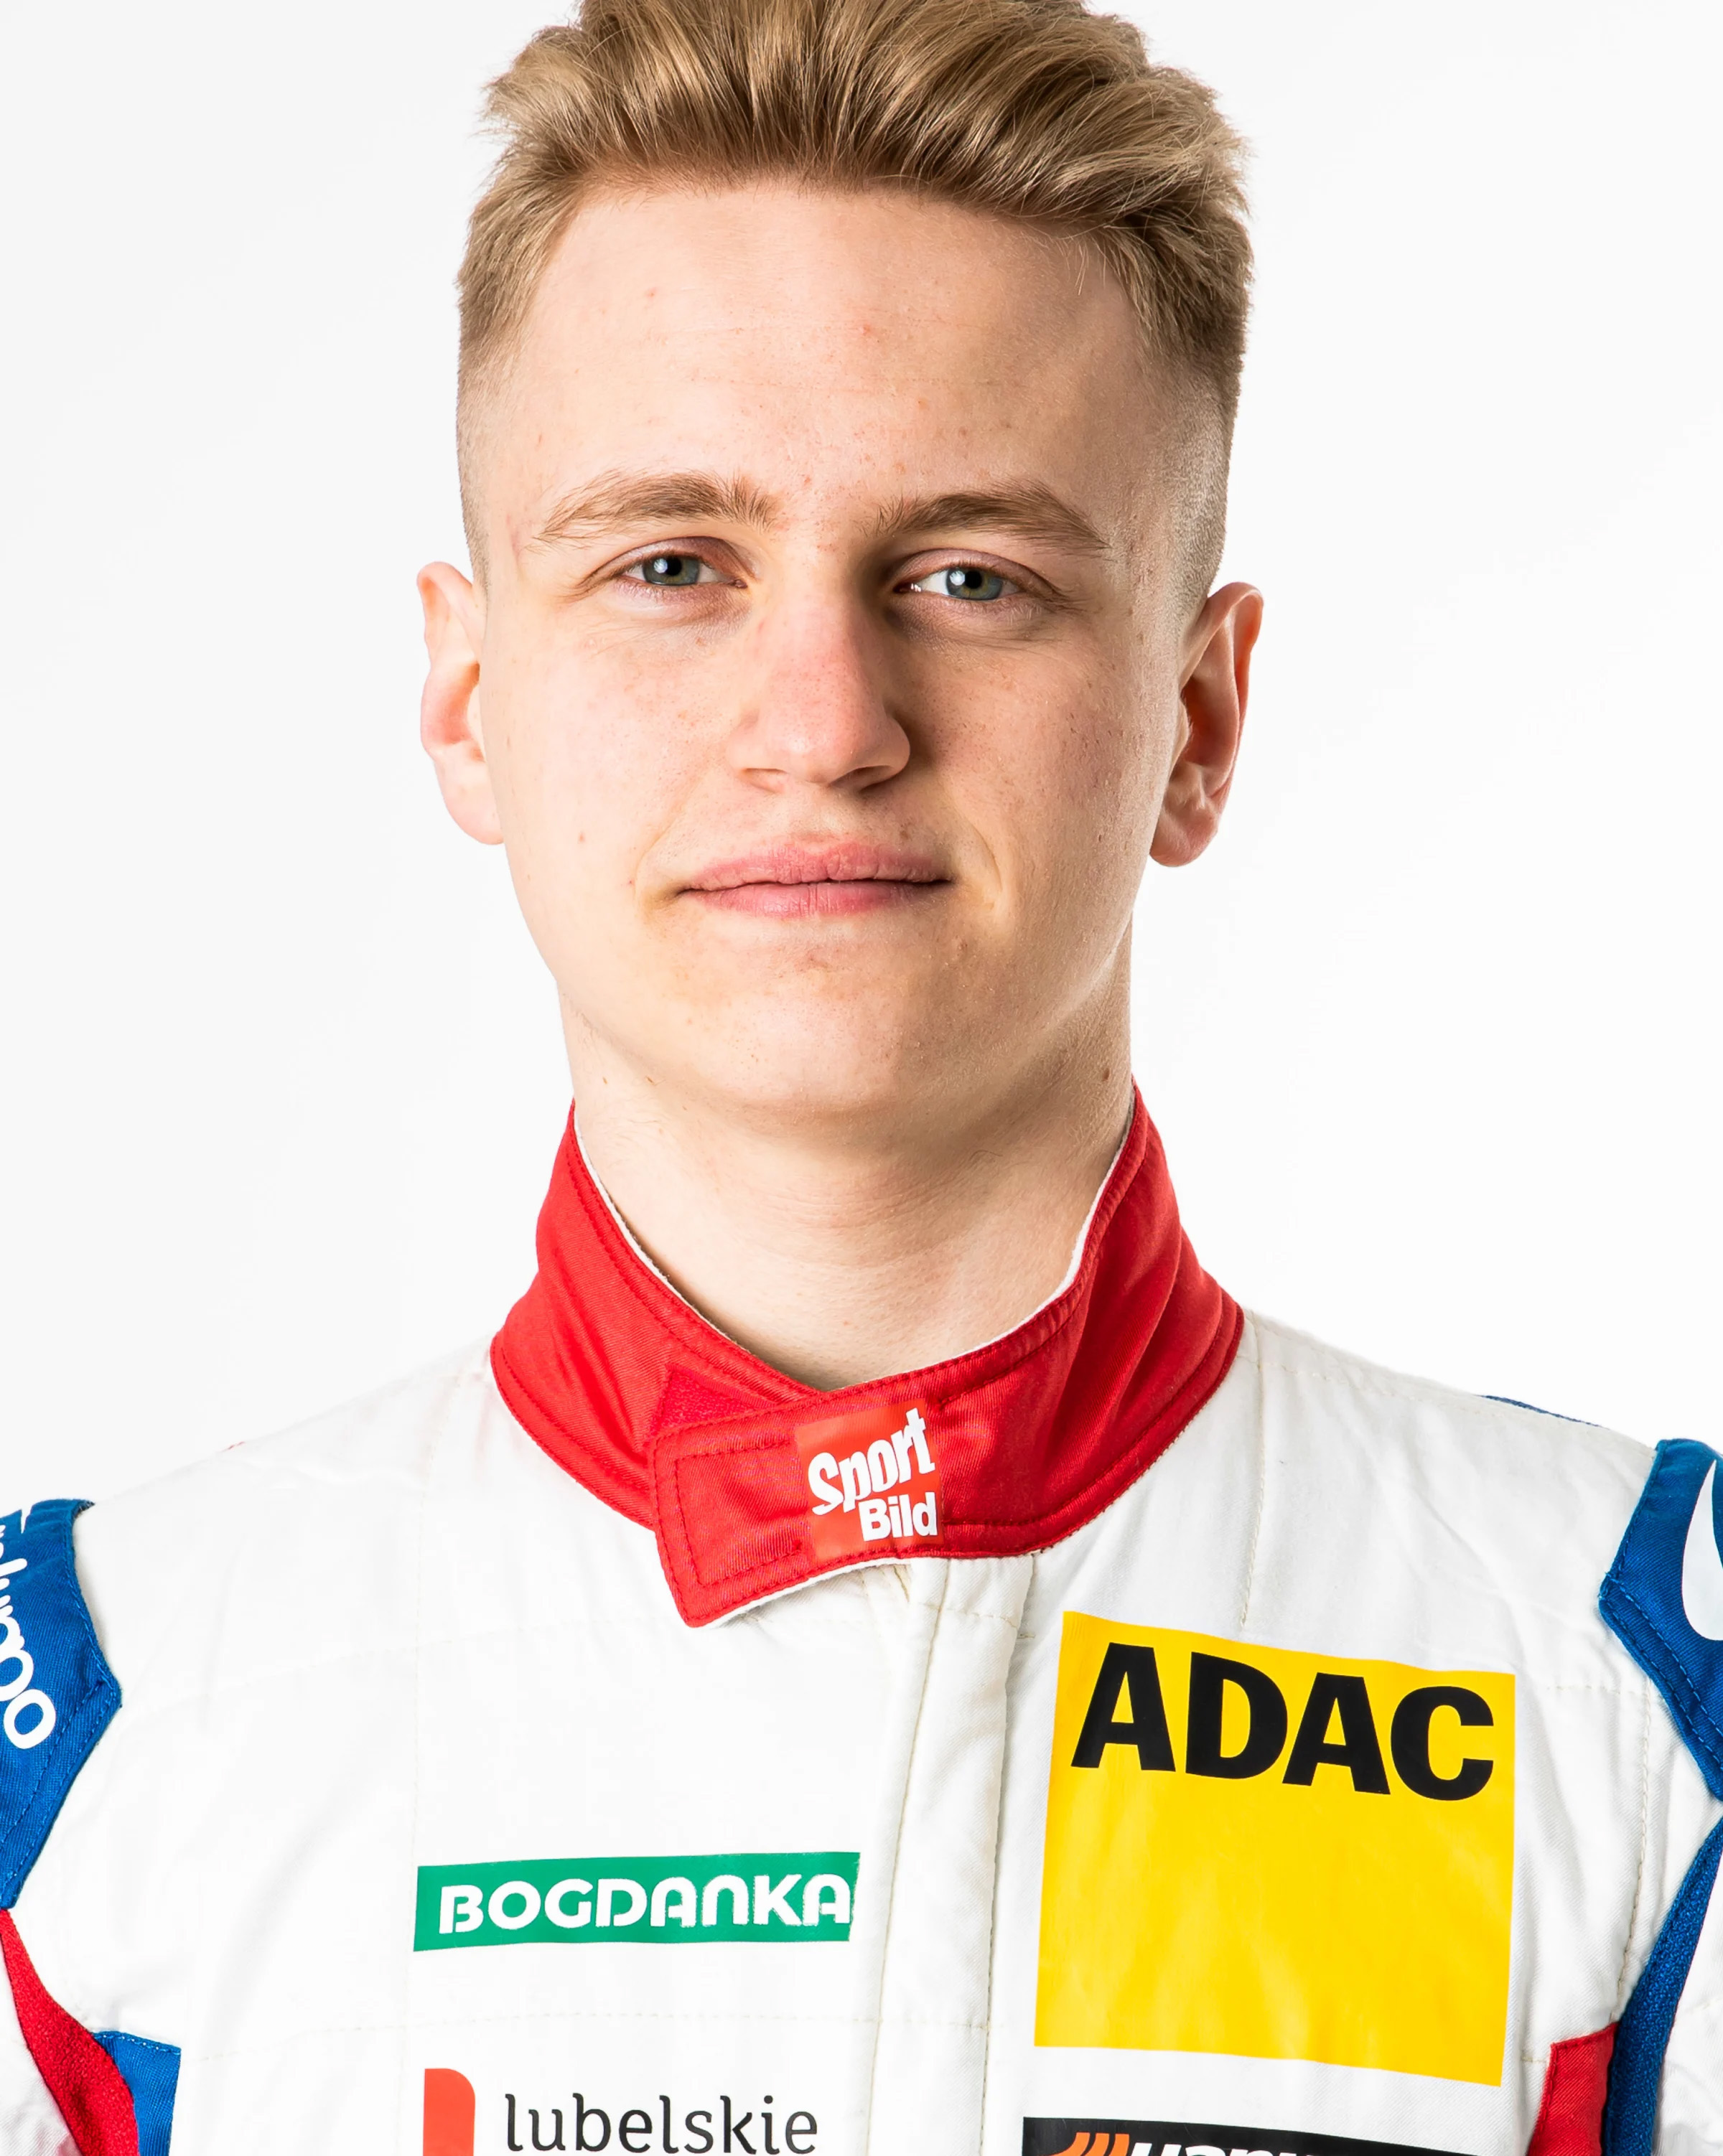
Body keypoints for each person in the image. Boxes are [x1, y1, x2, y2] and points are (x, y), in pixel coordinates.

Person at [2, 0, 1719, 2150]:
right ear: (467, 697)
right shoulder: (91, 1733)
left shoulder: (1643, 1685)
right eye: (669, 567)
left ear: (1199, 718)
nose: (823, 723)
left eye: (972, 577)